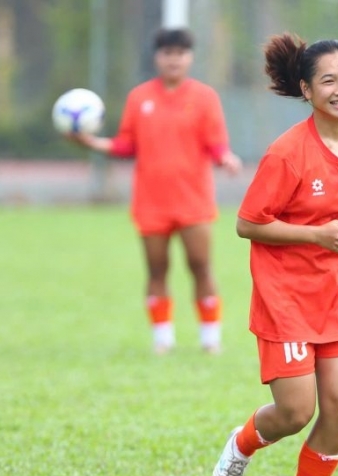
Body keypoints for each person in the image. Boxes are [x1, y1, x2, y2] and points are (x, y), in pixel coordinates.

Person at [210, 33, 338, 476]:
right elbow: (247, 223)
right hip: (287, 300)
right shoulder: (287, 153)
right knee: (295, 412)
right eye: (329, 81)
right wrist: (315, 234)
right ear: (307, 89)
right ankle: (240, 445)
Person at [69, 28, 242, 354]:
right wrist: (92, 142)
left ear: (190, 58)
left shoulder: (205, 97)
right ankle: (162, 339)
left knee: (200, 265)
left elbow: (216, 143)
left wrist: (226, 158)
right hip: (151, 201)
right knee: (157, 268)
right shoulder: (139, 98)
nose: (173, 60)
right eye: (167, 53)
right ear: (156, 57)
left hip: (193, 200)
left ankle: (210, 338)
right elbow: (126, 145)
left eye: (180, 53)